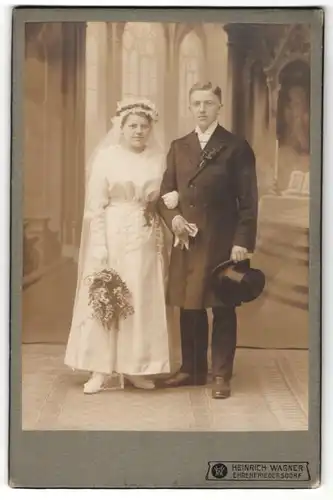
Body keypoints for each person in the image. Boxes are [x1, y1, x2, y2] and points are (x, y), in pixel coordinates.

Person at [158, 82, 258, 399]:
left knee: (223, 307)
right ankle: (192, 369)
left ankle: (220, 375)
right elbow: (163, 195)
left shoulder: (236, 146)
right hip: (188, 241)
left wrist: (242, 242)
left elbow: (249, 201)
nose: (202, 109)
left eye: (209, 103)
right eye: (197, 103)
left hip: (223, 241)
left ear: (219, 106)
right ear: (190, 107)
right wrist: (173, 219)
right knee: (190, 307)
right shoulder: (179, 146)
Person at [65, 98, 172, 394]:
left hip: (145, 234)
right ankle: (100, 369)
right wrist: (99, 246)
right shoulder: (107, 158)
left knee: (139, 297)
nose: (139, 131)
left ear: (151, 129)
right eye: (133, 126)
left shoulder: (158, 158)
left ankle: (135, 366)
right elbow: (95, 206)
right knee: (107, 294)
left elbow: (162, 197)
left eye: (144, 126)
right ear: (121, 128)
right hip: (112, 232)